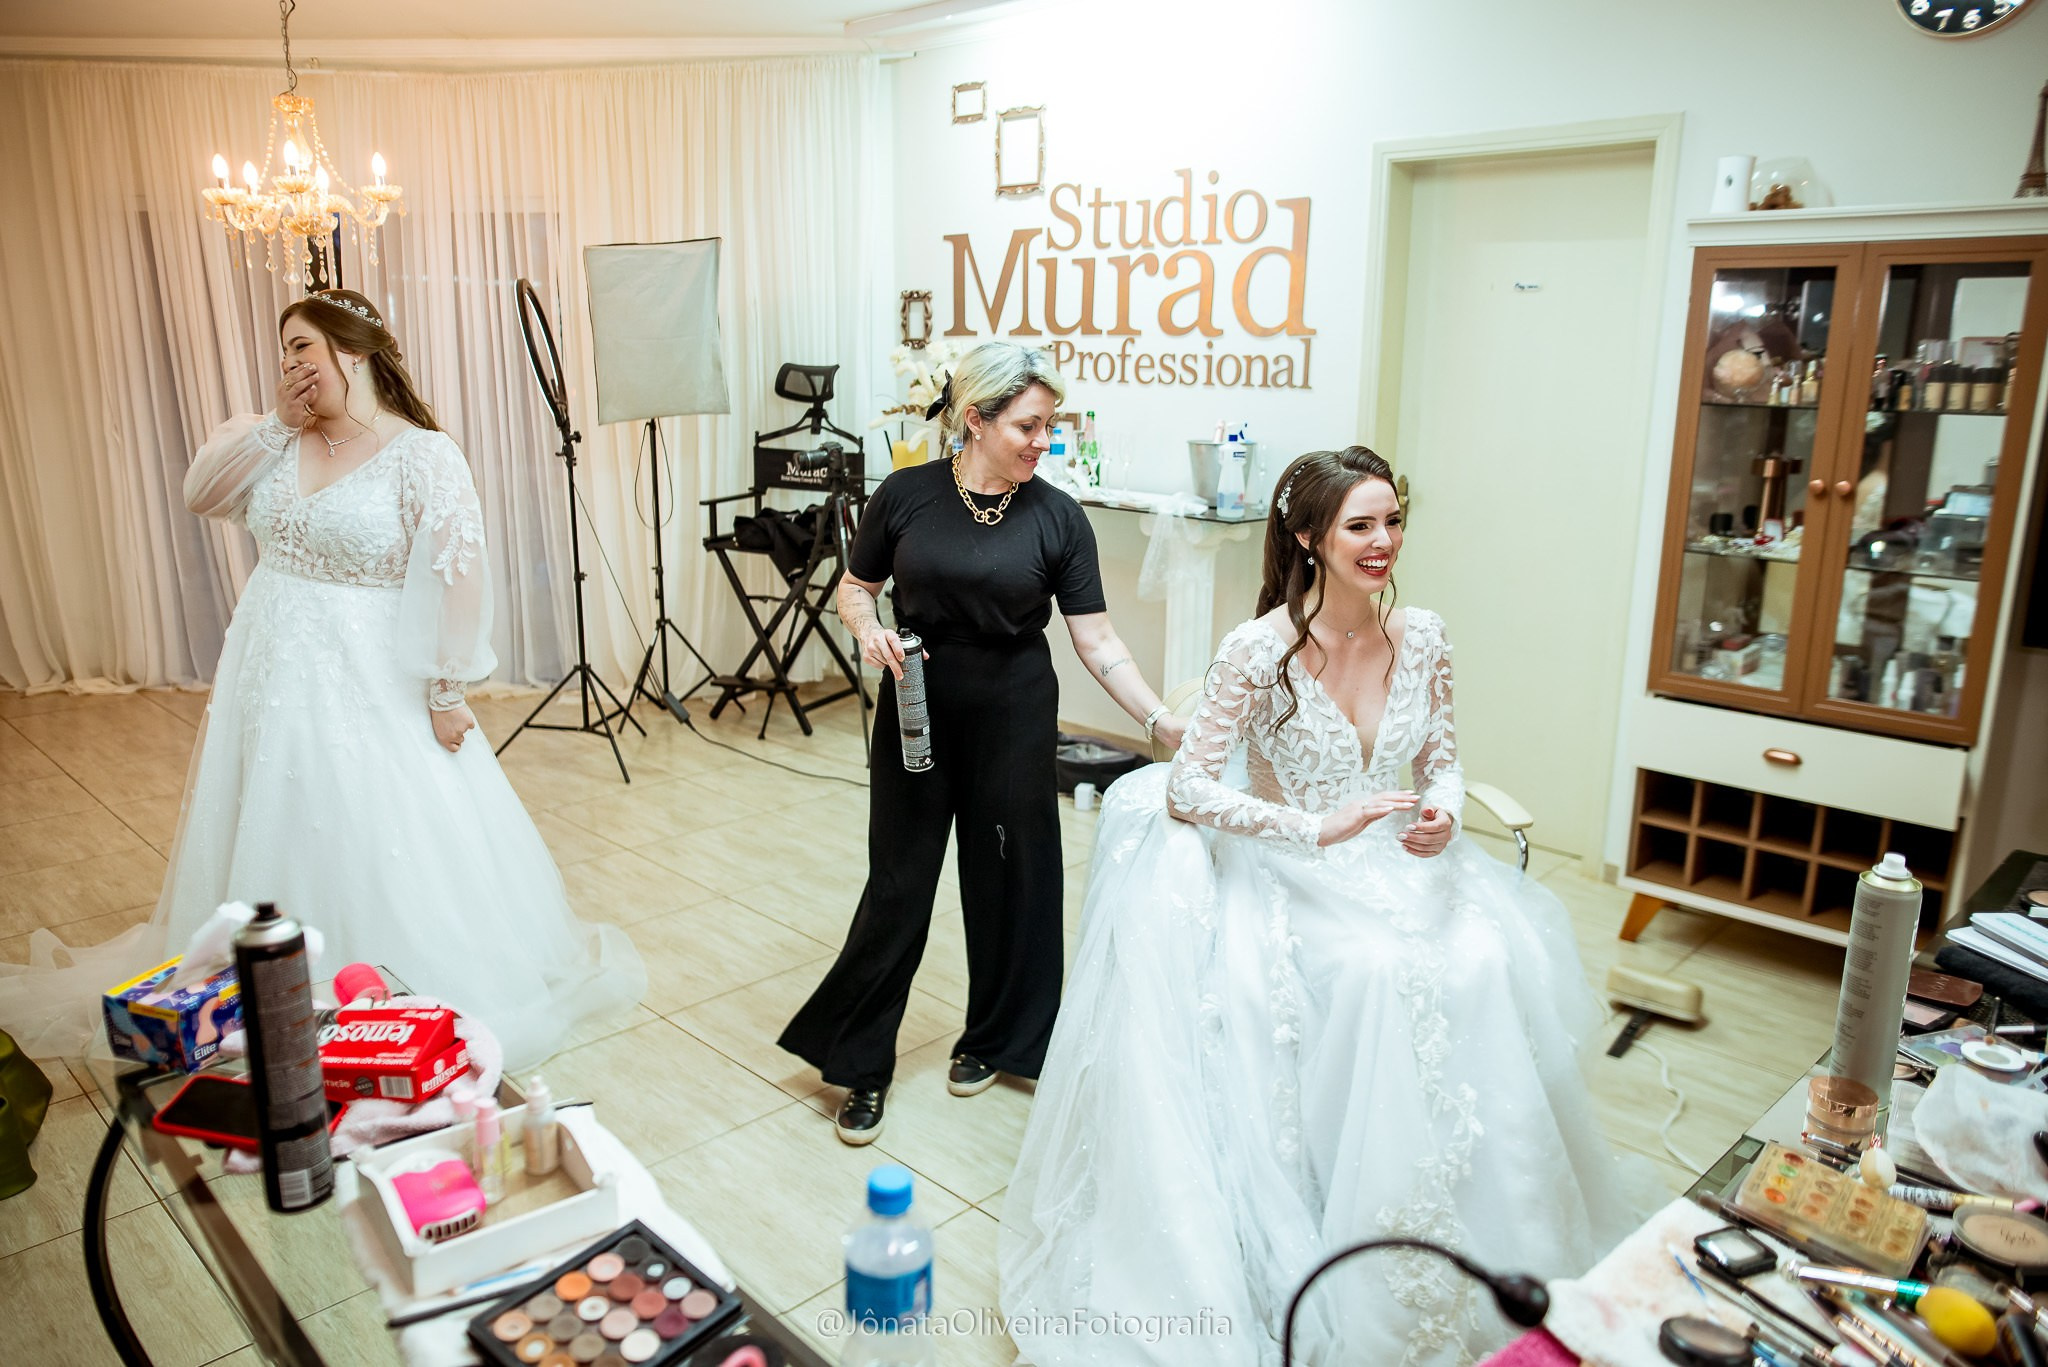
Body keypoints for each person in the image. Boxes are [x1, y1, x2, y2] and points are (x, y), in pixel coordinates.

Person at [999, 447, 1638, 1366]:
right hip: (1294, 865)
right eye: (1359, 525)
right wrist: (1316, 827)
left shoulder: (1423, 635)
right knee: (1378, 969)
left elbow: (1444, 759)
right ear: (1308, 538)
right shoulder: (1259, 649)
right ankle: (1365, 1228)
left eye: (1392, 521)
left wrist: (1444, 810)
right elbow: (1187, 787)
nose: (1383, 542)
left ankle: (1495, 1230)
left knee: (1485, 955)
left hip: (1401, 859)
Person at [0, 290, 643, 1071]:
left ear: (354, 351)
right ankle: (257, 980)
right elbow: (201, 496)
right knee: (268, 807)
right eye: (284, 350)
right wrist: (276, 423)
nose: (291, 363)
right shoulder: (270, 437)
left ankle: (365, 981)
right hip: (267, 663)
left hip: (367, 671)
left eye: (303, 346)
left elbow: (457, 575)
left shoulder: (422, 453)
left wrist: (445, 689)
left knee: (367, 816)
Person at [778, 341, 1186, 1145]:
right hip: (917, 706)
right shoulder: (906, 495)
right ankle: (861, 1063)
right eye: (1029, 426)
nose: (1043, 441)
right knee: (899, 882)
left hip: (1014, 710)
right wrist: (866, 629)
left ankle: (998, 1041)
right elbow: (855, 589)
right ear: (976, 419)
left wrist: (1155, 719)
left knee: (1013, 876)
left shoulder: (1058, 516)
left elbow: (1097, 639)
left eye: (1049, 426)